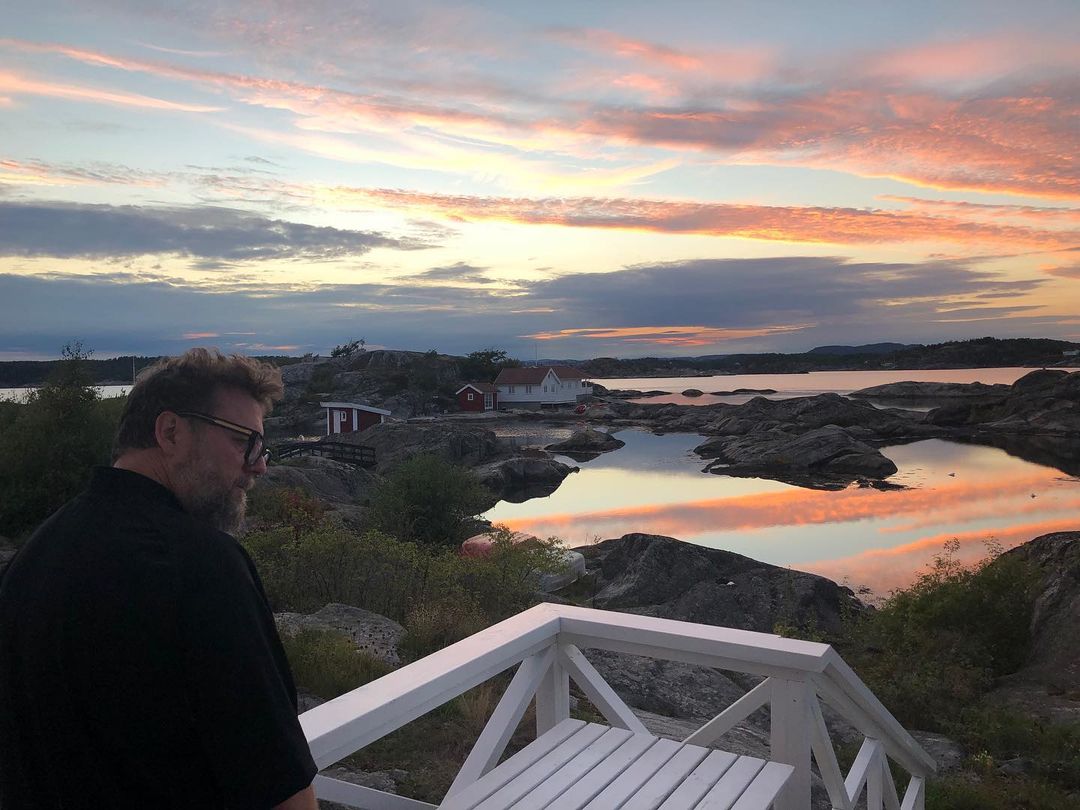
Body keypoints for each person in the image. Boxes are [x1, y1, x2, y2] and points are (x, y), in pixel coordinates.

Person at [0, 349, 318, 809]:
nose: (259, 465)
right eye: (243, 441)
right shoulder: (203, 567)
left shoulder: (34, 556)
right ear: (170, 432)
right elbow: (280, 786)